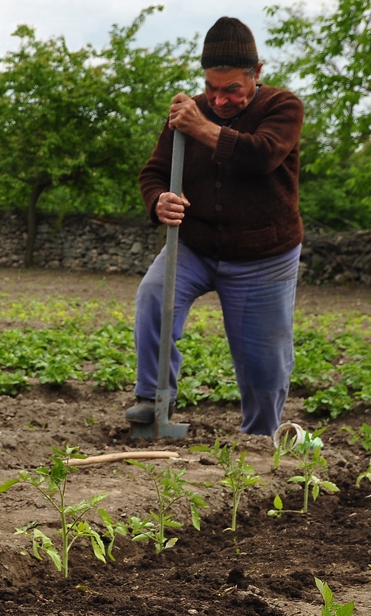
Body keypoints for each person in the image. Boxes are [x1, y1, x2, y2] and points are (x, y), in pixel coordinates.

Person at [126, 17, 304, 435]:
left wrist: (200, 126)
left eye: (232, 90)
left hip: (264, 255)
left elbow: (262, 155)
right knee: (154, 297)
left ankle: (260, 438)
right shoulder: (188, 113)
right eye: (211, 88)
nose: (219, 100)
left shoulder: (283, 107)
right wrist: (159, 201)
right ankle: (153, 401)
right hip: (195, 247)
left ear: (257, 74)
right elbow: (153, 173)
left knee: (263, 357)